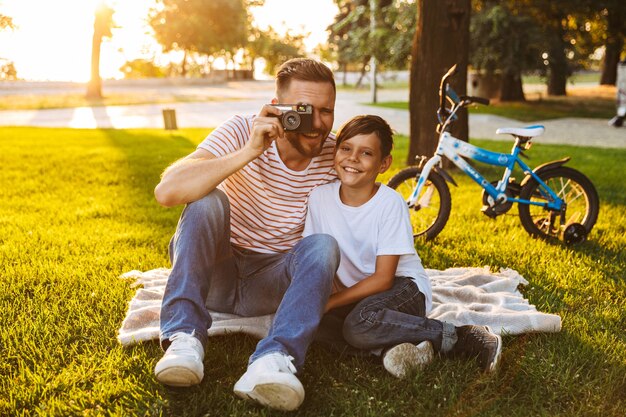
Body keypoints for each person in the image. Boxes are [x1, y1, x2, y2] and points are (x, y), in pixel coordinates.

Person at [153, 58, 340, 411]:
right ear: (277, 106)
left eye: (327, 111)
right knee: (206, 201)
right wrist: (251, 150)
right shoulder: (241, 130)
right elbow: (167, 192)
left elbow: (367, 215)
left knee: (323, 246)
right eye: (304, 111)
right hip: (215, 276)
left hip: (272, 283)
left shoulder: (335, 154)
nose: (316, 125)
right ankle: (184, 338)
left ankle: (274, 358)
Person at [305, 115, 503, 378]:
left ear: (384, 163)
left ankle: (461, 336)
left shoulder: (389, 203)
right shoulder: (319, 199)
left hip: (403, 290)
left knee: (359, 324)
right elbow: (315, 259)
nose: (352, 159)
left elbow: (383, 279)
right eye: (346, 148)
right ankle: (393, 350)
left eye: (366, 153)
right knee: (313, 325)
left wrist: (330, 303)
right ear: (335, 152)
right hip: (357, 298)